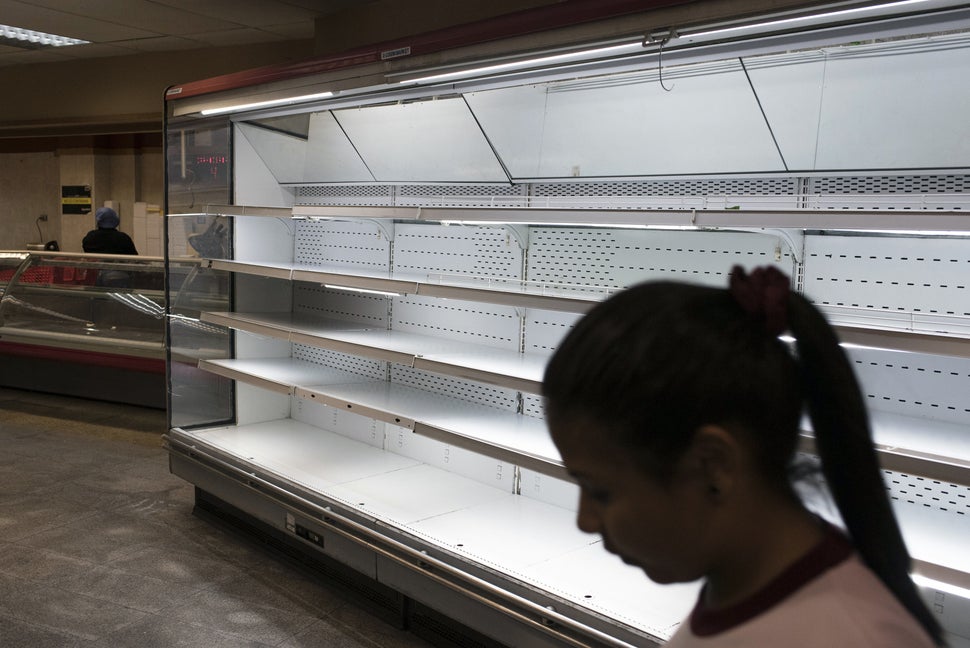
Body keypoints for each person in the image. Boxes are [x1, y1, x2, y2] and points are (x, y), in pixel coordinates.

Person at [542, 265, 943, 647]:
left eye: (600, 492)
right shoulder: (747, 590)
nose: (585, 521)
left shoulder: (851, 638)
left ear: (713, 464)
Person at [82, 207, 137, 287]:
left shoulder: (90, 237)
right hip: (120, 277)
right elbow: (134, 257)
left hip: (94, 277)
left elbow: (87, 253)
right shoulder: (123, 238)